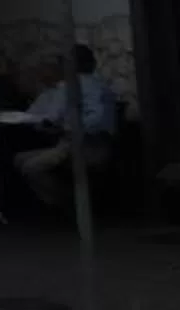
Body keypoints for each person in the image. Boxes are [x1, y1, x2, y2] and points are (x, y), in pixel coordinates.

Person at [15, 45, 120, 209]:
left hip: (81, 146)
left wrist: (64, 127)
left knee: (30, 167)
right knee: (23, 159)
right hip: (100, 145)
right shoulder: (100, 85)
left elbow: (53, 117)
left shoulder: (71, 87)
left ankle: (68, 203)